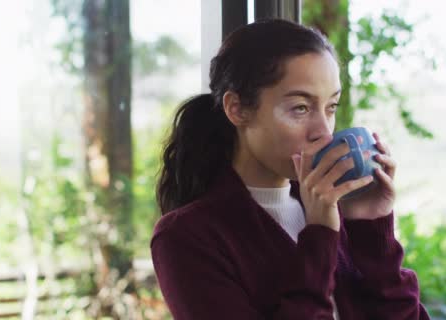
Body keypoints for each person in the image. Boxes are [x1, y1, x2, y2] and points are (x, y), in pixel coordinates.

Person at [151, 18, 430, 319]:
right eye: (300, 108)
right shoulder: (187, 237)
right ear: (238, 109)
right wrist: (320, 237)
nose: (323, 131)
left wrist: (370, 228)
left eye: (331, 107)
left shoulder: (335, 208)